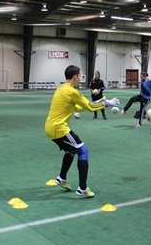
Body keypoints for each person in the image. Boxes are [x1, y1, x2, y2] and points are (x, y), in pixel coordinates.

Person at [45, 65, 118, 198]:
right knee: (83, 150)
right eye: (80, 75)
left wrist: (99, 101)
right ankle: (82, 188)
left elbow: (78, 107)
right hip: (59, 128)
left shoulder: (62, 89)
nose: (81, 78)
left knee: (72, 149)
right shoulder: (73, 92)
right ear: (75, 77)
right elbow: (90, 107)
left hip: (51, 127)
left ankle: (62, 178)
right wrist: (106, 103)